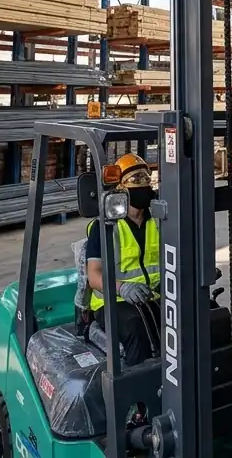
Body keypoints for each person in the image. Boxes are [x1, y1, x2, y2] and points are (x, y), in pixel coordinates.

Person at [85, 153, 161, 365]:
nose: (144, 185)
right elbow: (93, 276)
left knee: (201, 311)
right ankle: (140, 391)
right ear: (120, 189)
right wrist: (122, 288)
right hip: (113, 300)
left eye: (146, 179)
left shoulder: (159, 219)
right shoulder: (104, 227)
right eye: (136, 181)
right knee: (136, 326)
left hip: (152, 293)